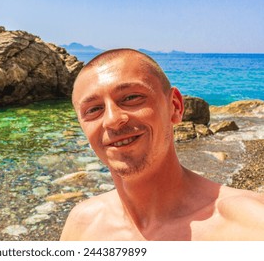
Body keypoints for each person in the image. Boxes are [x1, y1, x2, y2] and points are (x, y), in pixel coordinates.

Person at [60, 48, 264, 241]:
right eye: (93, 109)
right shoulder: (81, 226)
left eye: (131, 97)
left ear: (175, 106)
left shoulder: (250, 225)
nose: (112, 119)